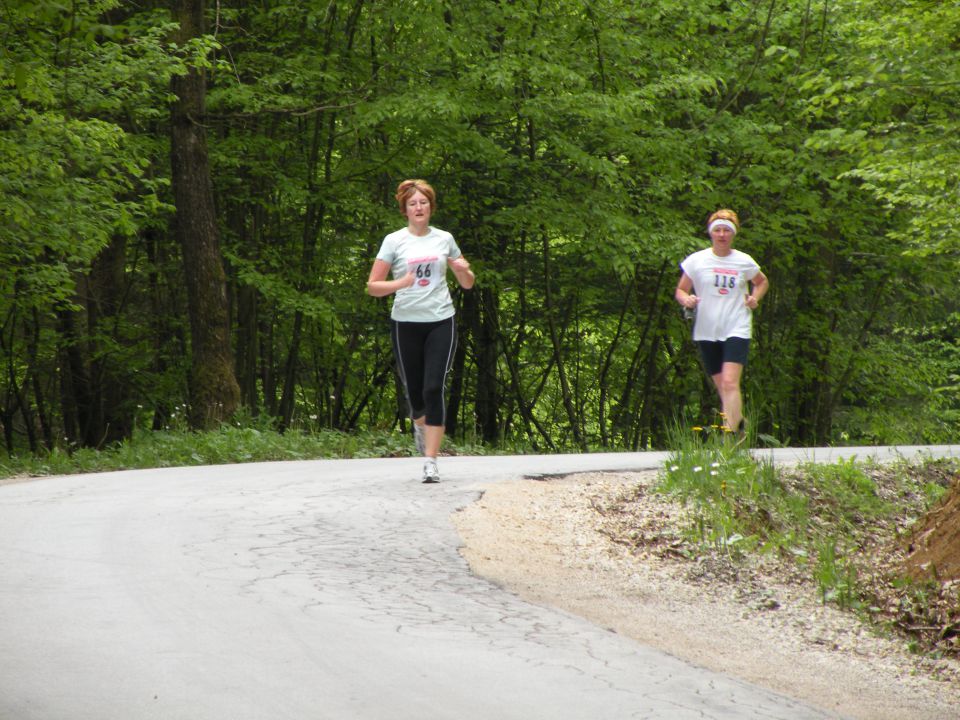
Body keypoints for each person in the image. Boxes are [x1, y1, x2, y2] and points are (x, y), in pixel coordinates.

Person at [367, 179, 475, 483]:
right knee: (415, 395)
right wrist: (400, 283)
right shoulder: (394, 241)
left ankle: (430, 460)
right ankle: (419, 424)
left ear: (431, 207)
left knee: (433, 388)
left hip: (441, 320)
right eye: (413, 203)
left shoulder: (445, 239)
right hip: (405, 324)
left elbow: (467, 283)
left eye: (424, 203)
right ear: (405, 209)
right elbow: (373, 286)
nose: (419, 207)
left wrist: (463, 270)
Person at [674, 209, 768, 437]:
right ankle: (739, 423)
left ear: (733, 234)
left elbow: (761, 281)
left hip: (736, 326)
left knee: (729, 382)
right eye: (718, 230)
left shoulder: (743, 261)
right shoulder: (697, 260)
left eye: (727, 230)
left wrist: (755, 298)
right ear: (711, 233)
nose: (722, 235)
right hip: (707, 329)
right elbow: (681, 289)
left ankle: (731, 438)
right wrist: (687, 299)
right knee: (723, 387)